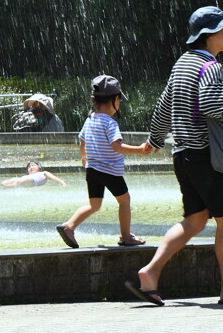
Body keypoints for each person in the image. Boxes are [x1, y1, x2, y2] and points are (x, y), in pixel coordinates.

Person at [126, 6, 223, 307]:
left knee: (193, 220)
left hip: (184, 157)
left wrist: (154, 140)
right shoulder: (212, 67)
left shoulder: (181, 64)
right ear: (208, 36)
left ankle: (150, 273)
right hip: (212, 159)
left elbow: (164, 107)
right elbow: (211, 107)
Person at [55, 75, 154, 250]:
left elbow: (82, 141)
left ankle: (69, 226)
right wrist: (139, 150)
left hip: (92, 169)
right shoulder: (110, 123)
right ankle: (126, 236)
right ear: (115, 100)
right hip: (109, 171)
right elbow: (116, 146)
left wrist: (84, 158)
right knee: (124, 200)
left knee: (94, 204)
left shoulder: (90, 119)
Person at [0, 161, 68, 188]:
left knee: (18, 181)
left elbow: (53, 177)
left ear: (40, 167)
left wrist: (63, 183)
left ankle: (0, 186)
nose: (31, 167)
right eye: (29, 167)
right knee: (13, 180)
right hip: (27, 180)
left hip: (34, 181)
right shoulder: (28, 175)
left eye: (33, 165)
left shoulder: (43, 173)